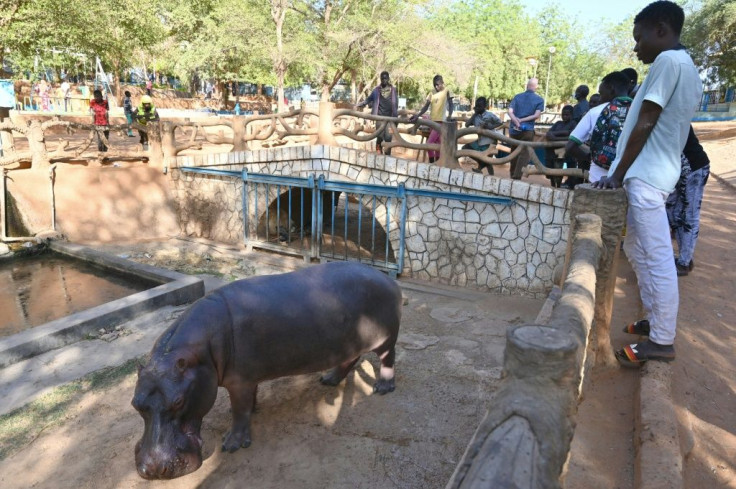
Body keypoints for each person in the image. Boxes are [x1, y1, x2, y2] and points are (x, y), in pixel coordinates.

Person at [594, 1, 702, 367]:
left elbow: (646, 121)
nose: (635, 48)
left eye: (639, 39)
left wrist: (618, 174)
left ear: (660, 29)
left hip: (647, 174)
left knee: (655, 256)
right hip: (657, 172)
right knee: (639, 249)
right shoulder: (685, 66)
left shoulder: (668, 62)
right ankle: (655, 321)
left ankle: (662, 340)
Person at [567, 71, 633, 184]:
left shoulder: (595, 112)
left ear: (611, 88)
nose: (601, 99)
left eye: (601, 93)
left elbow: (570, 146)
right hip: (631, 180)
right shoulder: (643, 111)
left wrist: (590, 157)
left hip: (598, 179)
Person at [666, 126, 710, 276]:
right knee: (672, 211)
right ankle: (684, 258)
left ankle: (684, 262)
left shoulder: (674, 114)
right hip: (679, 171)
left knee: (689, 214)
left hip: (694, 168)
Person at [409, 75, 453, 163]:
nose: (436, 87)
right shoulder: (431, 93)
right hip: (432, 121)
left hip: (441, 122)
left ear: (442, 82)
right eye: (435, 85)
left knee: (428, 144)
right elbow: (426, 107)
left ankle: (432, 162)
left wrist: (450, 116)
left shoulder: (447, 91)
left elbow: (451, 104)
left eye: (438, 84)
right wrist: (417, 115)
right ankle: (437, 163)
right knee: (437, 144)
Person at [507, 78, 544, 179]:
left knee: (514, 151)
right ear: (536, 87)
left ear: (527, 85)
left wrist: (516, 120)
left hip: (514, 129)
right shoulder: (539, 100)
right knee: (524, 153)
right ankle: (517, 176)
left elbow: (510, 111)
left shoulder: (517, 97)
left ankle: (512, 174)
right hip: (527, 130)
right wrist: (523, 120)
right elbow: (536, 115)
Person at [357, 71, 399, 155]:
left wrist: (395, 118)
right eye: (382, 78)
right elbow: (369, 99)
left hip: (390, 119)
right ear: (380, 79)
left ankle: (387, 156)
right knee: (379, 136)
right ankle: (379, 154)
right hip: (379, 118)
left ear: (388, 79)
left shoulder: (393, 90)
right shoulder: (376, 90)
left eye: (385, 78)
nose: (384, 80)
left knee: (388, 138)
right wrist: (361, 104)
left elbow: (396, 104)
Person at [463, 97, 502, 174]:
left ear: (484, 106)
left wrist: (490, 127)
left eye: (479, 106)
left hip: (490, 141)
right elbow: (467, 125)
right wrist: (474, 114)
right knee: (465, 148)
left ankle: (483, 170)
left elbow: (500, 122)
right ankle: (482, 164)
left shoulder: (490, 115)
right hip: (480, 141)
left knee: (487, 158)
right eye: (476, 106)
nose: (478, 108)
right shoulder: (475, 117)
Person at [544, 105, 576, 187]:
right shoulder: (558, 123)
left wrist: (555, 138)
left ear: (571, 115)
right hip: (551, 151)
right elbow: (549, 133)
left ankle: (558, 185)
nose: (564, 117)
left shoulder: (573, 124)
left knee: (558, 168)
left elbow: (571, 136)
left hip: (562, 151)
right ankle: (552, 184)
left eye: (567, 115)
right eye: (563, 114)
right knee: (550, 168)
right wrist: (556, 135)